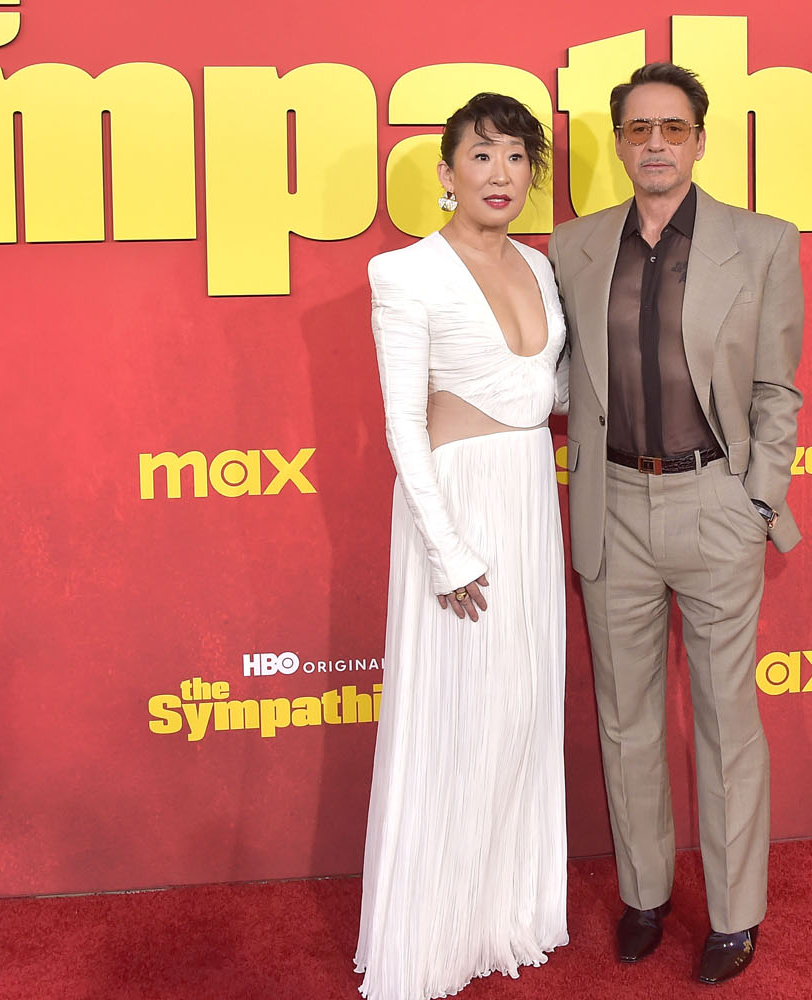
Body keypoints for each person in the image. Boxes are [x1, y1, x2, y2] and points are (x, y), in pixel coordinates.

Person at [547, 63, 804, 985]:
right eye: (638, 128)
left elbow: (776, 388)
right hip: (611, 505)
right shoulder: (572, 246)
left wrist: (756, 499)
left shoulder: (763, 242)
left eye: (673, 127)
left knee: (728, 721)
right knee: (627, 720)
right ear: (620, 143)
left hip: (714, 504)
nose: (655, 142)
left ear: (699, 140)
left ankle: (736, 916)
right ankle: (644, 895)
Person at [354, 93, 568, 1000]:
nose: (500, 173)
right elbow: (403, 423)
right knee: (455, 720)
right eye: (481, 156)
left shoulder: (542, 268)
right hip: (457, 510)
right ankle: (430, 939)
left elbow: (546, 393)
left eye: (517, 156)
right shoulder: (405, 273)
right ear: (446, 174)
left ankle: (501, 916)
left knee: (520, 713)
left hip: (530, 499)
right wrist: (445, 550)